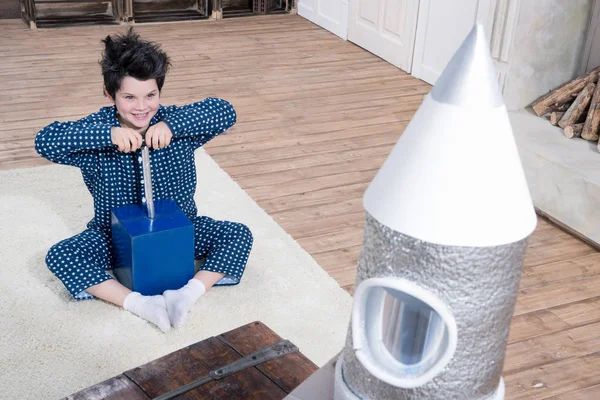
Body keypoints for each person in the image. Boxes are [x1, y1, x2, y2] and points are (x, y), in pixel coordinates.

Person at [34, 28, 253, 332]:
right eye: (129, 97)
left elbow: (224, 111)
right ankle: (140, 304)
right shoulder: (97, 131)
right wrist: (106, 135)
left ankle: (186, 296)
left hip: (179, 234)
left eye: (150, 95)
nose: (141, 107)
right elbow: (46, 141)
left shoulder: (175, 123)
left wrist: (171, 124)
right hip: (115, 240)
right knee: (61, 255)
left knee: (238, 234)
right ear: (110, 95)